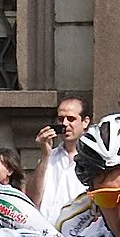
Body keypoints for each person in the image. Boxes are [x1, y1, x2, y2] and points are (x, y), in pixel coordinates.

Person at [31, 92, 90, 224]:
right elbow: (32, 199)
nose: (65, 124)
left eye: (71, 119)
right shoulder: (50, 156)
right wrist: (45, 156)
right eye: (61, 119)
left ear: (85, 122)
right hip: (46, 233)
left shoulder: (93, 159)